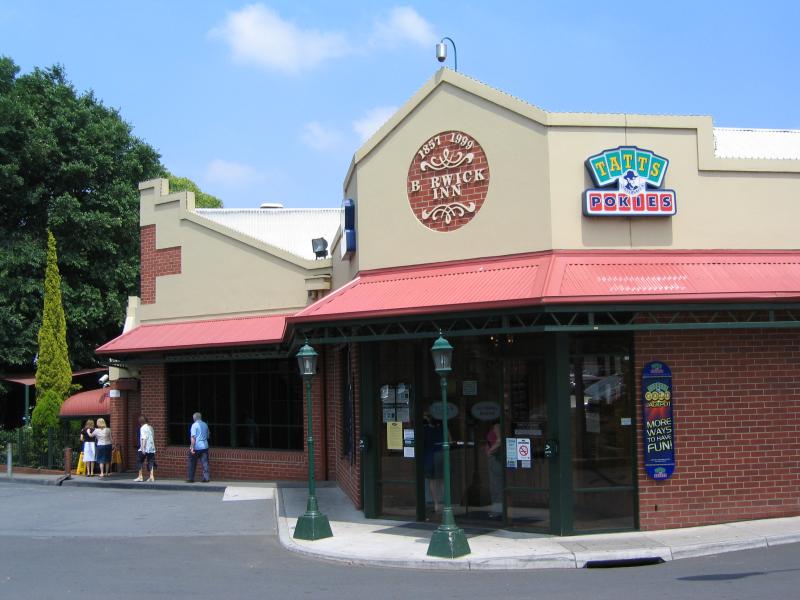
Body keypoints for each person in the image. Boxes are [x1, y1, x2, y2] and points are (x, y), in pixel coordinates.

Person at [485, 420, 503, 517]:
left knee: (496, 485)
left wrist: (490, 451)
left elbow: (500, 440)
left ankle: (497, 511)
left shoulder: (497, 425)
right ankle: (497, 509)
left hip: (495, 459)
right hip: (494, 459)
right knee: (495, 485)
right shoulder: (495, 426)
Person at [186, 412, 210, 483]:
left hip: (196, 447)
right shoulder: (205, 424)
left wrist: (192, 448)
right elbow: (208, 435)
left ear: (194, 418)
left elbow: (193, 437)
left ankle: (191, 478)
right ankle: (206, 478)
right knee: (205, 463)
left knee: (192, 463)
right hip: (205, 446)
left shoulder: (194, 425)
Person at [135, 415, 156, 482]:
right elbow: (152, 437)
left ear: (140, 421)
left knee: (139, 461)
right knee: (150, 461)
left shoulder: (143, 428)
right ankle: (151, 476)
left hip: (145, 447)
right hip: (151, 447)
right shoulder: (149, 427)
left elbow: (143, 438)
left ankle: (140, 476)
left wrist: (143, 448)